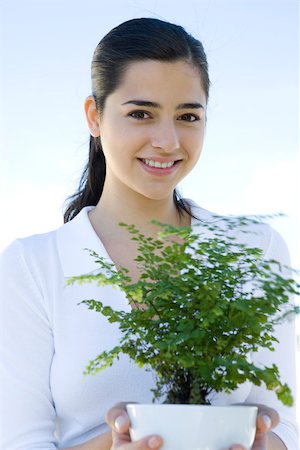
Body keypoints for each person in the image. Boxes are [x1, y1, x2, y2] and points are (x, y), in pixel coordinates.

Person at [0, 17, 298, 450]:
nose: (167, 140)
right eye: (141, 113)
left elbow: (286, 426)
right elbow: (17, 442)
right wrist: (117, 442)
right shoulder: (34, 266)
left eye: (188, 116)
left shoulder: (254, 249)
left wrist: (263, 442)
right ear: (94, 116)